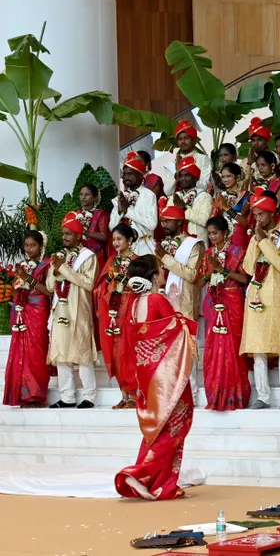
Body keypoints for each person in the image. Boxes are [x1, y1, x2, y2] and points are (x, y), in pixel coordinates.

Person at [114, 257, 198, 500]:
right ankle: (140, 474)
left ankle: (154, 482)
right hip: (166, 374)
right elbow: (178, 331)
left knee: (157, 429)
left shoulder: (134, 304)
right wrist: (176, 305)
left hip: (146, 373)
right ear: (153, 276)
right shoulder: (158, 299)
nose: (163, 273)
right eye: (161, 270)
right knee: (174, 427)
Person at [240, 189, 280, 410]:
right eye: (255, 215)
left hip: (277, 296)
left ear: (272, 213)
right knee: (258, 349)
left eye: (261, 214)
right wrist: (256, 241)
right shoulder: (256, 236)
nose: (257, 219)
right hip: (256, 295)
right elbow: (248, 268)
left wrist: (264, 241)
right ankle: (263, 396)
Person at [47, 212, 100, 408]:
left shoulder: (88, 257)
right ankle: (67, 397)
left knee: (82, 352)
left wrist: (64, 269)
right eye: (63, 234)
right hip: (60, 309)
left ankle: (89, 396)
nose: (64, 237)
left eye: (68, 234)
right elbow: (50, 286)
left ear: (79, 236)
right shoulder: (59, 257)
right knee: (61, 353)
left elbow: (88, 283)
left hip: (79, 310)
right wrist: (55, 270)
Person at [201, 216, 252, 411]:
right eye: (209, 233)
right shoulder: (208, 253)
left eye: (215, 233)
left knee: (233, 347)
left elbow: (244, 279)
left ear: (225, 232)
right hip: (214, 302)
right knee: (214, 349)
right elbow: (201, 281)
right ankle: (216, 395)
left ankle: (235, 397)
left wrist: (222, 270)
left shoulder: (237, 252)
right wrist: (210, 271)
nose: (212, 237)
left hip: (232, 300)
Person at [4, 231, 52, 407]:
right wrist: (15, 288)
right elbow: (15, 289)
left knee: (36, 353)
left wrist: (28, 279)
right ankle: (22, 395)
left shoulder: (47, 265)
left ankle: (36, 395)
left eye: (33, 245)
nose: (29, 249)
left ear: (41, 246)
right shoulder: (21, 266)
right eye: (26, 245)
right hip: (23, 311)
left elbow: (49, 291)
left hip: (39, 311)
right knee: (22, 351)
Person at [94, 224, 138, 408]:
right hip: (112, 312)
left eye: (119, 239)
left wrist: (123, 279)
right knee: (115, 352)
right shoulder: (111, 261)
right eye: (114, 239)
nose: (116, 242)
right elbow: (99, 287)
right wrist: (110, 279)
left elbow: (141, 287)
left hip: (129, 310)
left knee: (129, 351)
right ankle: (124, 395)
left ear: (129, 240)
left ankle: (135, 395)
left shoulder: (137, 261)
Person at [158, 203, 204, 322]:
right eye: (162, 221)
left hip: (184, 300)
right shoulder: (163, 244)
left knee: (185, 332)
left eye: (167, 221)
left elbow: (191, 275)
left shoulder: (193, 244)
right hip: (163, 298)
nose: (163, 225)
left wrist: (165, 258)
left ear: (179, 222)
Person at [111, 152, 159, 255]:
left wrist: (128, 211)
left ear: (140, 175)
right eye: (124, 174)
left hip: (144, 248)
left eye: (130, 174)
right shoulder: (120, 197)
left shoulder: (149, 195)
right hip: (124, 250)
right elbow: (112, 227)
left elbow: (152, 224)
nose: (125, 177)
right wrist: (119, 213)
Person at [170, 156, 213, 239]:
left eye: (187, 175)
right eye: (181, 176)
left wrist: (184, 209)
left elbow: (205, 221)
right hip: (176, 241)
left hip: (197, 241)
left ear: (195, 178)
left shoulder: (205, 196)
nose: (183, 179)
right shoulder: (175, 197)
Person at [73, 184, 111, 266]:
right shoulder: (77, 214)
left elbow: (103, 236)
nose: (83, 197)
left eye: (87, 194)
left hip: (96, 255)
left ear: (95, 197)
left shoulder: (101, 214)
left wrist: (86, 233)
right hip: (78, 254)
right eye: (81, 194)